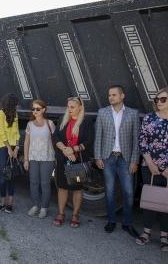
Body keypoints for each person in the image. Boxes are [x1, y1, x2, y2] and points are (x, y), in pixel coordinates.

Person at [94, 85, 139, 237]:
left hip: (125, 159)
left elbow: (136, 140)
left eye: (114, 95)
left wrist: (134, 161)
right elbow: (98, 136)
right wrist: (98, 157)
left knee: (128, 192)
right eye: (109, 95)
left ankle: (127, 223)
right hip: (108, 157)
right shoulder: (103, 112)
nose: (110, 97)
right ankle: (111, 221)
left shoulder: (133, 114)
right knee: (110, 191)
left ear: (122, 96)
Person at [53, 97, 94, 228]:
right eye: (68, 107)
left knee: (77, 188)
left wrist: (73, 150)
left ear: (80, 108)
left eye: (72, 107)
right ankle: (61, 213)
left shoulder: (86, 122)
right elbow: (56, 137)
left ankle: (75, 215)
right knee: (62, 187)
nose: (69, 109)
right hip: (63, 159)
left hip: (77, 160)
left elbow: (89, 141)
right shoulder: (62, 120)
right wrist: (64, 149)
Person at [136, 87, 168, 251]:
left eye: (163, 99)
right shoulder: (149, 118)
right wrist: (150, 162)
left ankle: (164, 235)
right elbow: (143, 141)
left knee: (166, 200)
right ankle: (146, 232)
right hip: (149, 166)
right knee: (150, 199)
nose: (159, 102)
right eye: (157, 99)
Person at [24, 99, 55, 218]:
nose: (35, 111)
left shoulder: (50, 124)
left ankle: (44, 207)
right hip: (33, 158)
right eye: (33, 109)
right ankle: (35, 205)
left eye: (38, 109)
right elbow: (26, 142)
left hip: (47, 158)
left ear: (43, 110)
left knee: (45, 183)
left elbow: (55, 141)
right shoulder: (30, 124)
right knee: (33, 182)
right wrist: (26, 159)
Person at [0, 93, 20, 214]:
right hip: (2, 147)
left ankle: (10, 203)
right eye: (15, 104)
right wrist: (9, 148)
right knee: (3, 176)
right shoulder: (0, 113)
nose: (17, 106)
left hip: (13, 147)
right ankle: (2, 202)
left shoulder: (15, 114)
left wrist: (16, 148)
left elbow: (17, 132)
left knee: (11, 175)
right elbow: (1, 132)